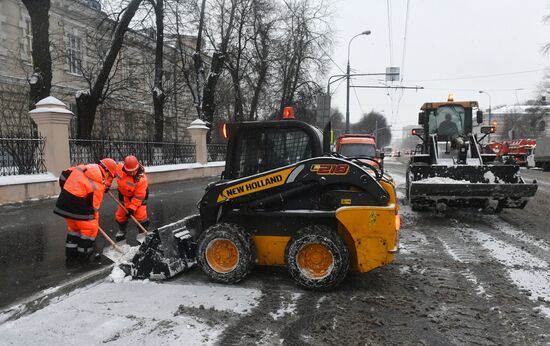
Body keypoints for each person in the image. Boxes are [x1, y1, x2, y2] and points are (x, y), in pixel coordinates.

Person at [54, 158, 117, 260]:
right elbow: (94, 208)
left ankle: (71, 253)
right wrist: (94, 223)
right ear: (107, 172)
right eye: (110, 176)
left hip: (64, 202)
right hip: (78, 205)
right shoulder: (98, 185)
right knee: (90, 228)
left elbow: (64, 174)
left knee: (74, 228)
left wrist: (66, 190)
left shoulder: (84, 167)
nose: (110, 178)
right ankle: (84, 254)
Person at [115, 155, 149, 242]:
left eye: (134, 171)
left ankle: (142, 234)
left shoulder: (141, 179)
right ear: (125, 168)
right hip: (124, 195)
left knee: (141, 216)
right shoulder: (119, 169)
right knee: (120, 215)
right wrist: (106, 184)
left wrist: (132, 208)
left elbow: (139, 196)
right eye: (130, 171)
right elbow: (110, 173)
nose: (132, 173)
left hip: (139, 197)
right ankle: (122, 230)